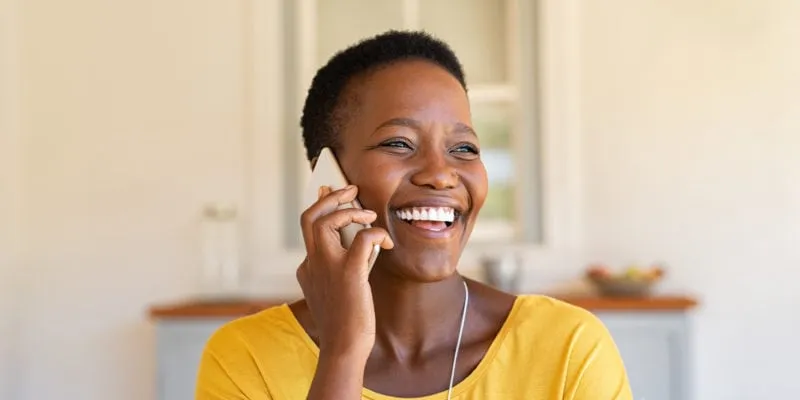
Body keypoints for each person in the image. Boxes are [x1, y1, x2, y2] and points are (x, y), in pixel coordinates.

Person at [195, 30, 633, 400]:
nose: (442, 176)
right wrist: (343, 352)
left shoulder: (568, 347)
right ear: (328, 178)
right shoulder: (244, 358)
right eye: (399, 143)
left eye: (463, 149)